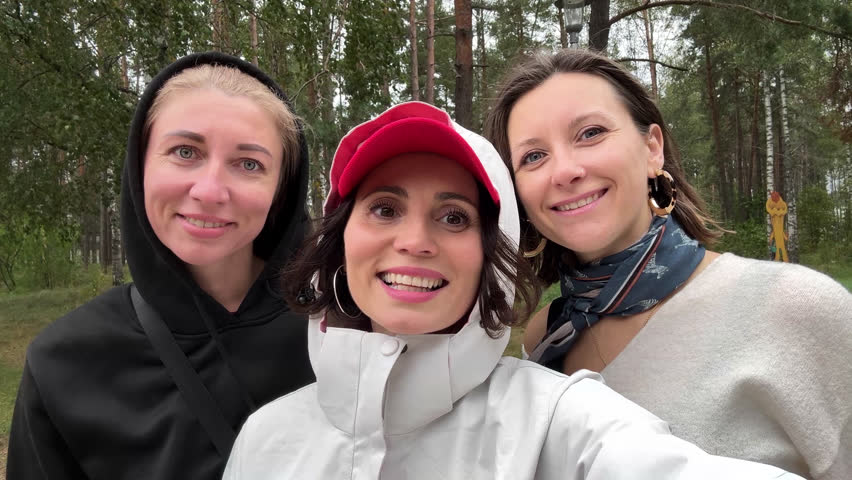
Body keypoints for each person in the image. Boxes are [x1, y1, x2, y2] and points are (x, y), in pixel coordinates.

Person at [222, 101, 803, 479]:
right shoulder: (265, 440)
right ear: (340, 241)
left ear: (491, 258)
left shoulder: (558, 421)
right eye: (384, 208)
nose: (414, 240)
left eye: (453, 218)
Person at [483, 48, 852, 480]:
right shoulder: (546, 338)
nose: (564, 170)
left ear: (651, 148)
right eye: (533, 156)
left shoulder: (797, 309)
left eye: (590, 133)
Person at [7, 52, 315, 479]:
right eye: (185, 151)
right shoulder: (65, 362)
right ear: (140, 167)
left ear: (282, 190)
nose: (209, 191)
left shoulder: (343, 331)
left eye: (249, 164)